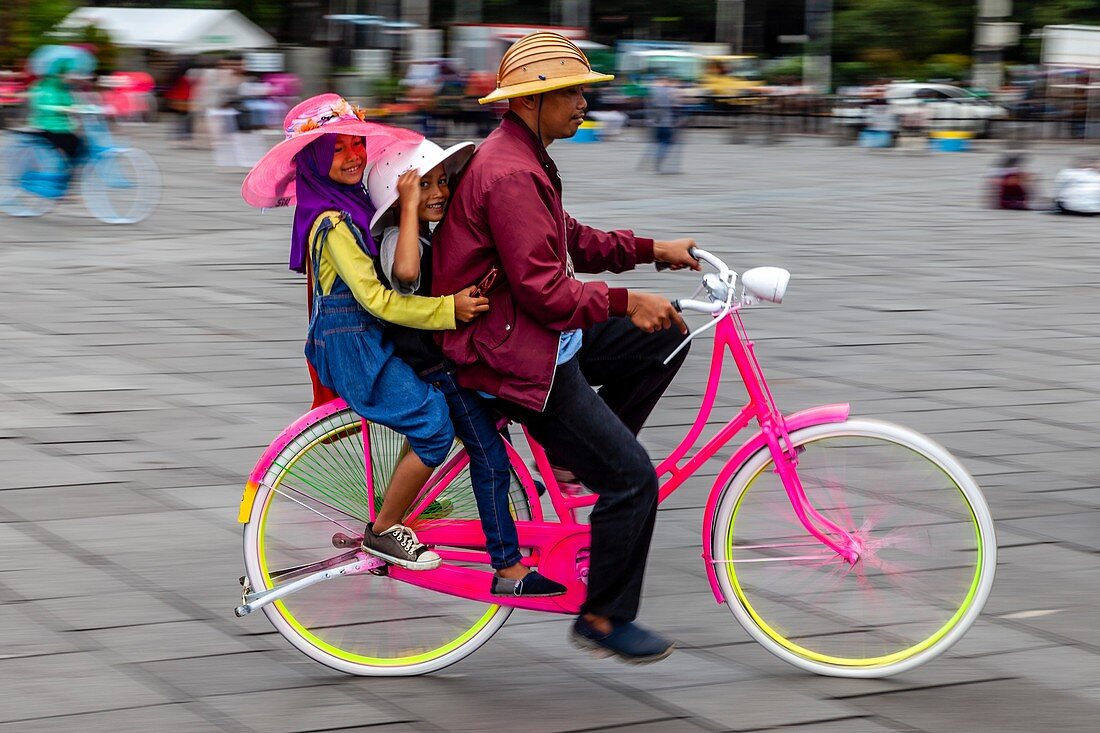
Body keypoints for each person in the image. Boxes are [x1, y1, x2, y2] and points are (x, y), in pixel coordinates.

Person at [433, 32, 701, 663]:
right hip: (512, 354)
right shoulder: (510, 171)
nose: (585, 102)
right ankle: (604, 618)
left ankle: (576, 458)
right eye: (573, 92)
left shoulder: (526, 157)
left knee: (667, 336)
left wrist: (649, 249)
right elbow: (545, 291)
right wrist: (625, 300)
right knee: (634, 480)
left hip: (530, 335)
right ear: (532, 101)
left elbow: (569, 239)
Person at [241, 94, 487, 571]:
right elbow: (377, 299)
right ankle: (385, 531)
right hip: (351, 342)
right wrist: (448, 310)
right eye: (338, 150)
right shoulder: (331, 222)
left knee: (439, 398)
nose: (354, 157)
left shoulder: (346, 206)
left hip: (359, 337)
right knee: (433, 422)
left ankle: (402, 501)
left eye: (357, 145)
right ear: (312, 158)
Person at [367, 139, 568, 597]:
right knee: (489, 457)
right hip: (438, 369)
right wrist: (412, 207)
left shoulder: (424, 232)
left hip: (451, 361)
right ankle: (507, 567)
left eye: (442, 181)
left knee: (502, 418)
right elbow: (404, 276)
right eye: (425, 184)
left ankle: (518, 488)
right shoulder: (401, 238)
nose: (439, 191)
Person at [26, 60, 84, 163]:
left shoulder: (63, 88)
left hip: (63, 125)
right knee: (73, 146)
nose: (69, 77)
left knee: (80, 146)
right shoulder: (44, 87)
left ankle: (67, 169)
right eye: (65, 74)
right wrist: (61, 109)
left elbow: (70, 103)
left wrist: (82, 107)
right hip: (47, 125)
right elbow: (40, 106)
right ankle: (64, 169)